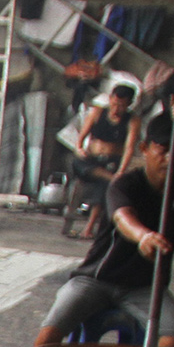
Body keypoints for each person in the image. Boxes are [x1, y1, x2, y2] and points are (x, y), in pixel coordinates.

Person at [34, 94, 174, 347]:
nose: (170, 159)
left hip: (144, 286)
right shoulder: (125, 183)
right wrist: (144, 236)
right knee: (49, 335)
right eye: (163, 150)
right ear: (145, 148)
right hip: (96, 280)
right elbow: (124, 218)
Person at [72, 83, 137, 238]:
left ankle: (89, 228)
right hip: (91, 161)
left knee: (106, 184)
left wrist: (121, 170)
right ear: (110, 99)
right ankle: (110, 177)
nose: (116, 109)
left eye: (121, 106)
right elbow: (80, 138)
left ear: (129, 104)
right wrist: (80, 149)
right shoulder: (98, 112)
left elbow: (129, 148)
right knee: (78, 163)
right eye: (114, 104)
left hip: (112, 162)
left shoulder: (132, 120)